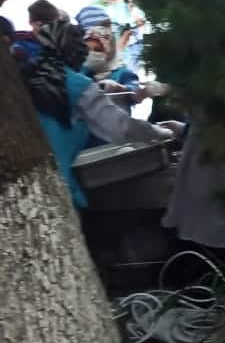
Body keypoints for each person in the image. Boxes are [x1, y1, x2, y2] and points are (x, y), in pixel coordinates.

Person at [19, 17, 172, 209]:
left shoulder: (28, 76)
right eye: (86, 48)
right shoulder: (77, 84)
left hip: (24, 178)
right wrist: (160, 133)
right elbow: (121, 128)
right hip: (53, 182)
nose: (89, 53)